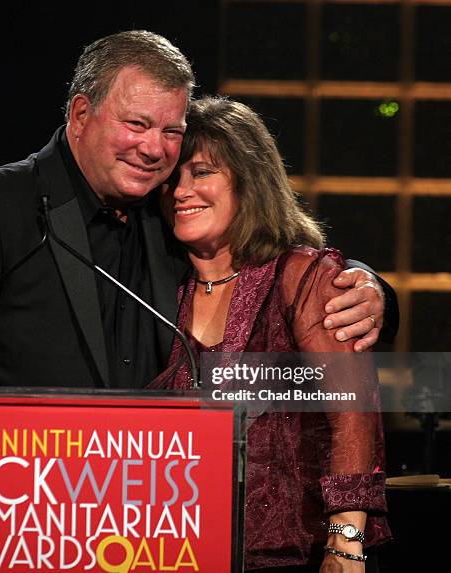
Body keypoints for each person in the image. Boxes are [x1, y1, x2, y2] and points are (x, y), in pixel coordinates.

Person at [0, 30, 395, 389]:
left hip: (144, 519)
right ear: (81, 114)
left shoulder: (169, 212)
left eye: (171, 131)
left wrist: (368, 287)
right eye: (137, 125)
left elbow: (274, 262)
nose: (154, 149)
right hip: (14, 507)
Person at [154, 96, 391, 572]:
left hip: (292, 554)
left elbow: (353, 415)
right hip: (175, 551)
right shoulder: (160, 285)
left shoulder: (302, 275)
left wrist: (345, 544)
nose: (181, 191)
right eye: (172, 178)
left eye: (201, 173)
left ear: (249, 178)